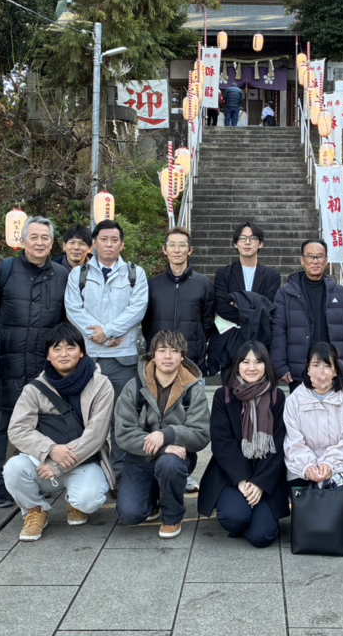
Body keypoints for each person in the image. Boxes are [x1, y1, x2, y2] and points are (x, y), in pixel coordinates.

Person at [0, 216, 69, 509]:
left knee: (40, 424)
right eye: (33, 237)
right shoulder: (5, 270)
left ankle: (31, 479)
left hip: (42, 364)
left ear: (52, 242)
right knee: (0, 423)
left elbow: (65, 322)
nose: (39, 242)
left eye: (45, 237)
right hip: (6, 359)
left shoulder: (62, 275)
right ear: (22, 241)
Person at [5, 323, 113, 541]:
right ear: (48, 355)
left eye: (70, 348)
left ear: (82, 352)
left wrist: (58, 465)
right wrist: (50, 449)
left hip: (85, 460)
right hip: (42, 463)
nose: (63, 354)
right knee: (13, 469)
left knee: (88, 499)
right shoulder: (34, 388)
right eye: (57, 349)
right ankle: (35, 511)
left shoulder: (101, 385)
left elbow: (97, 434)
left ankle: (76, 504)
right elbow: (17, 429)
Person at [66, 219, 149, 483]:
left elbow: (137, 310)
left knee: (122, 418)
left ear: (122, 245)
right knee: (88, 417)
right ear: (93, 244)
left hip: (123, 359)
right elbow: (73, 310)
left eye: (114, 240)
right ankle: (90, 472)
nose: (109, 244)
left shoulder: (135, 274)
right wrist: (100, 337)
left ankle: (120, 475)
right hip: (89, 359)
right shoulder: (78, 274)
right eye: (103, 239)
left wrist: (108, 332)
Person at [114, 330, 210, 539]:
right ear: (152, 355)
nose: (168, 356)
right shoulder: (134, 387)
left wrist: (169, 434)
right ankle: (154, 497)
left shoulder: (193, 389)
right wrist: (163, 445)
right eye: (162, 350)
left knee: (169, 464)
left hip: (176, 459)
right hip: (140, 458)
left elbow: (201, 433)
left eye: (174, 351)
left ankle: (172, 517)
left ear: (182, 356)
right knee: (130, 514)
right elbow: (123, 433)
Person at [142, 226, 214, 492]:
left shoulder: (203, 284)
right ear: (164, 249)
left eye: (182, 245)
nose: (177, 250)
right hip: (159, 365)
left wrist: (195, 350)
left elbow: (207, 324)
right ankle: (157, 465)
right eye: (172, 245)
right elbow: (146, 323)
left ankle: (185, 470)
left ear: (190, 250)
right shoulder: (153, 285)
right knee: (157, 415)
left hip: (190, 365)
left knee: (189, 421)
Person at [198, 341, 288, 547]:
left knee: (262, 537)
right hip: (232, 474)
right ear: (237, 365)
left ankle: (255, 517)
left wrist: (260, 483)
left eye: (258, 362)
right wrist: (242, 479)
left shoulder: (277, 396)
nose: (252, 367)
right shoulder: (224, 395)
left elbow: (278, 443)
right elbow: (222, 443)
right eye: (246, 362)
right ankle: (244, 514)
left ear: (266, 365)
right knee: (234, 517)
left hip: (266, 474)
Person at [271, 239, 343, 389]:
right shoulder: (285, 293)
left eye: (319, 256)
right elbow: (278, 330)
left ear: (326, 260)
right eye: (310, 256)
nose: (315, 261)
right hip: (299, 369)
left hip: (334, 368)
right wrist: (280, 366)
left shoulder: (340, 293)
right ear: (302, 260)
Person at [283, 342, 343, 490]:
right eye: (315, 365)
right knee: (305, 498)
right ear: (308, 369)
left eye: (327, 366)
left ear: (335, 371)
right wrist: (308, 466)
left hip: (341, 465)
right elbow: (293, 443)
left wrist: (329, 464)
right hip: (302, 468)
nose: (321, 372)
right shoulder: (294, 401)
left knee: (336, 495)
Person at [210, 221, 280, 375]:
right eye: (242, 238)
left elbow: (268, 306)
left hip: (260, 343)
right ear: (236, 243)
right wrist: (256, 308)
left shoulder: (272, 276)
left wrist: (237, 302)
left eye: (253, 238)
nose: (247, 242)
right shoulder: (224, 274)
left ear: (260, 243)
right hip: (230, 342)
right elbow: (222, 307)